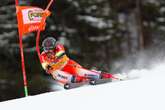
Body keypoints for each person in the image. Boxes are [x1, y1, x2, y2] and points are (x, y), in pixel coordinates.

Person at [40, 37, 115, 85]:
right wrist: (48, 67)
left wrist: (56, 58)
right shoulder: (43, 55)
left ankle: (101, 76)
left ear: (53, 46)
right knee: (55, 73)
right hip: (60, 71)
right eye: (46, 49)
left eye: (49, 49)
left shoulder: (58, 47)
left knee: (81, 72)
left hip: (68, 64)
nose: (48, 51)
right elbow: (44, 64)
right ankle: (74, 80)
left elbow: (61, 53)